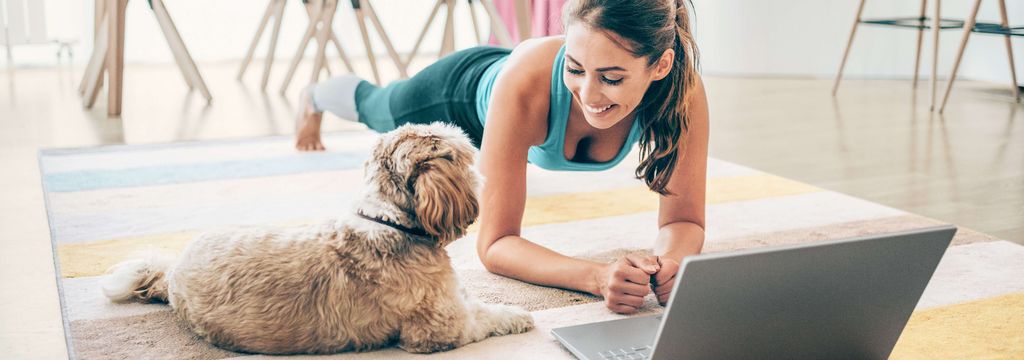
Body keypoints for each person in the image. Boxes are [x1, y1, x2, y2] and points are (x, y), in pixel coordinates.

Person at [295, 0, 707, 314]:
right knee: (376, 106)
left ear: (661, 66)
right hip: (461, 93)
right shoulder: (527, 82)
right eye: (574, 68)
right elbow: (495, 244)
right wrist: (597, 276)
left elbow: (684, 221)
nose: (587, 95)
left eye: (611, 78)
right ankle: (314, 96)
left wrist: (671, 264)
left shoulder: (682, 94)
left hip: (512, 107)